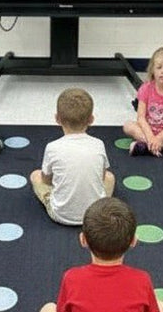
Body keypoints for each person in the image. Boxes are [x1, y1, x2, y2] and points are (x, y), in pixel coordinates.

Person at [30, 87, 116, 225]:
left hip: (60, 215)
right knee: (110, 178)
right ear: (91, 119)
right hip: (95, 215)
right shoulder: (98, 144)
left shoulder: (52, 147)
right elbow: (101, 177)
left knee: (35, 175)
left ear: (57, 119)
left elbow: (46, 180)